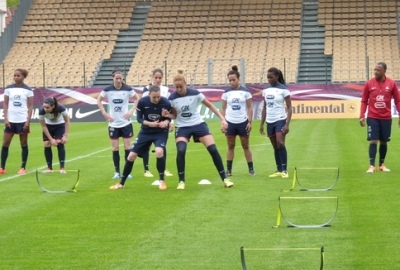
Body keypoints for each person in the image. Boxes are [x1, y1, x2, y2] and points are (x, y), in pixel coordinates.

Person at [162, 69, 234, 189]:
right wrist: (168, 117)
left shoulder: (195, 93)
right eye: (176, 87)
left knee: (213, 149)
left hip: (198, 124)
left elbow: (210, 105)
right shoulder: (172, 98)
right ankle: (181, 181)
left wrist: (223, 119)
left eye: (181, 86)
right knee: (181, 150)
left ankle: (225, 179)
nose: (179, 89)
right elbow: (174, 114)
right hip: (182, 127)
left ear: (185, 83)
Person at [109, 85, 172, 190]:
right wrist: (151, 124)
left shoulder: (166, 102)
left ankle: (162, 181)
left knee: (159, 151)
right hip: (146, 132)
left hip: (160, 132)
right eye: (154, 97)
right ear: (149, 95)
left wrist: (166, 121)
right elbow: (139, 119)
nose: (156, 99)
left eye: (158, 97)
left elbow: (170, 118)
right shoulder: (142, 102)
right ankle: (121, 183)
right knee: (131, 156)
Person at [97, 68, 139, 179]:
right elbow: (99, 100)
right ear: (113, 78)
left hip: (125, 123)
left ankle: (127, 172)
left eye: (120, 78)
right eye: (117, 78)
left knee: (127, 147)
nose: (119, 80)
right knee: (115, 148)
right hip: (113, 123)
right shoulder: (107, 89)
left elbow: (137, 98)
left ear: (122, 79)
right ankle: (117, 172)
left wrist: (131, 111)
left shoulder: (128, 89)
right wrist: (104, 113)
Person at [359, 62, 400, 173]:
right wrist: (362, 116)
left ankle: (381, 165)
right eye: (375, 70)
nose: (376, 72)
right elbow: (364, 100)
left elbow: (398, 100)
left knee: (383, 141)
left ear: (384, 71)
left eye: (378, 70)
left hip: (386, 118)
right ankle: (371, 166)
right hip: (373, 117)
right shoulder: (369, 84)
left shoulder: (391, 84)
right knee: (373, 140)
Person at [221, 65, 255, 176]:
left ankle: (251, 169)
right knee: (230, 146)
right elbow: (223, 108)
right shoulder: (226, 93)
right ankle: (229, 171)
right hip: (230, 123)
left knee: (246, 146)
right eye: (230, 80)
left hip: (243, 122)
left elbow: (250, 108)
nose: (232, 82)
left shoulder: (246, 92)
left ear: (238, 79)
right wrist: (223, 122)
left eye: (233, 80)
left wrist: (250, 122)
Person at [259, 67, 292, 178]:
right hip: (270, 121)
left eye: (271, 77)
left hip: (280, 119)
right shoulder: (266, 89)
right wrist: (261, 124)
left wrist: (287, 123)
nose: (269, 79)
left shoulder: (284, 89)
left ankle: (285, 170)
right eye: (268, 77)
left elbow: (290, 107)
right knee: (274, 145)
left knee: (280, 142)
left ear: (277, 76)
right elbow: (264, 107)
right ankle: (278, 169)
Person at [141, 68, 174, 178]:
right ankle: (146, 169)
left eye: (160, 78)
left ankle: (163, 169)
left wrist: (170, 121)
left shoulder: (165, 89)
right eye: (156, 77)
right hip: (150, 122)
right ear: (152, 77)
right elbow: (143, 105)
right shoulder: (146, 89)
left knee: (162, 146)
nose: (158, 80)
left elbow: (170, 108)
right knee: (147, 145)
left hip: (162, 122)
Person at [0, 68, 33, 175]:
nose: (16, 77)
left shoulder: (28, 90)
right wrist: (6, 119)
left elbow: (31, 106)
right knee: (5, 144)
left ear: (23, 77)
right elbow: (5, 104)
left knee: (23, 144)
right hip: (10, 120)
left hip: (22, 120)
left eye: (18, 75)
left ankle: (23, 167)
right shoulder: (9, 88)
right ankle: (2, 167)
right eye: (14, 75)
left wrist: (28, 121)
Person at [38, 97, 70, 173]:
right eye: (44, 107)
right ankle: (49, 168)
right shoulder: (41, 111)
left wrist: (65, 135)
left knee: (59, 142)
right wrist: (51, 139)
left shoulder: (61, 108)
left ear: (53, 106)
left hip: (59, 125)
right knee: (46, 143)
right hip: (48, 126)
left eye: (47, 107)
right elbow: (43, 126)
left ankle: (62, 168)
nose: (45, 109)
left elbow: (67, 121)